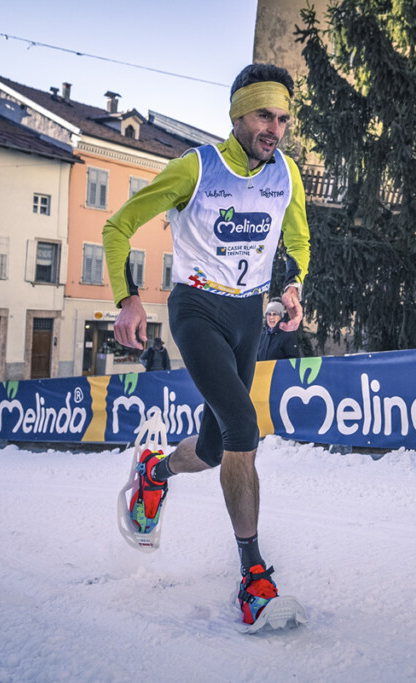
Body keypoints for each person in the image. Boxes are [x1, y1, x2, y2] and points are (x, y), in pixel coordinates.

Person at [102, 63, 310, 628]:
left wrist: (292, 286)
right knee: (245, 430)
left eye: (284, 118)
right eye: (265, 115)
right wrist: (128, 299)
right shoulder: (196, 168)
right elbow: (117, 226)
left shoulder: (285, 174)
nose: (275, 128)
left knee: (218, 449)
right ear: (239, 115)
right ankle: (254, 576)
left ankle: (154, 472)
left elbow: (298, 238)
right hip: (196, 309)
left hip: (249, 316)